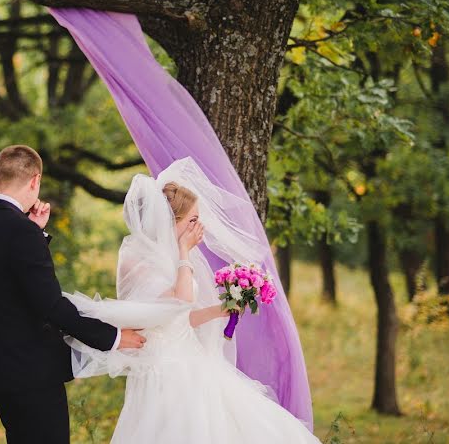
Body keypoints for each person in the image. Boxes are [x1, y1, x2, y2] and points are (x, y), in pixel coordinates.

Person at [61, 156, 321, 442]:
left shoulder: (174, 256)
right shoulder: (140, 260)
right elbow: (180, 303)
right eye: (193, 220)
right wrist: (184, 252)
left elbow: (179, 318)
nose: (199, 228)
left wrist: (218, 310)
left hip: (191, 361)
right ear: (171, 221)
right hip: (165, 370)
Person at [0, 144, 146, 444]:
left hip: (0, 370)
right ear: (35, 181)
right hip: (33, 373)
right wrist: (111, 337)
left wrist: (37, 233)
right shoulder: (21, 231)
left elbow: (12, 281)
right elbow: (50, 305)